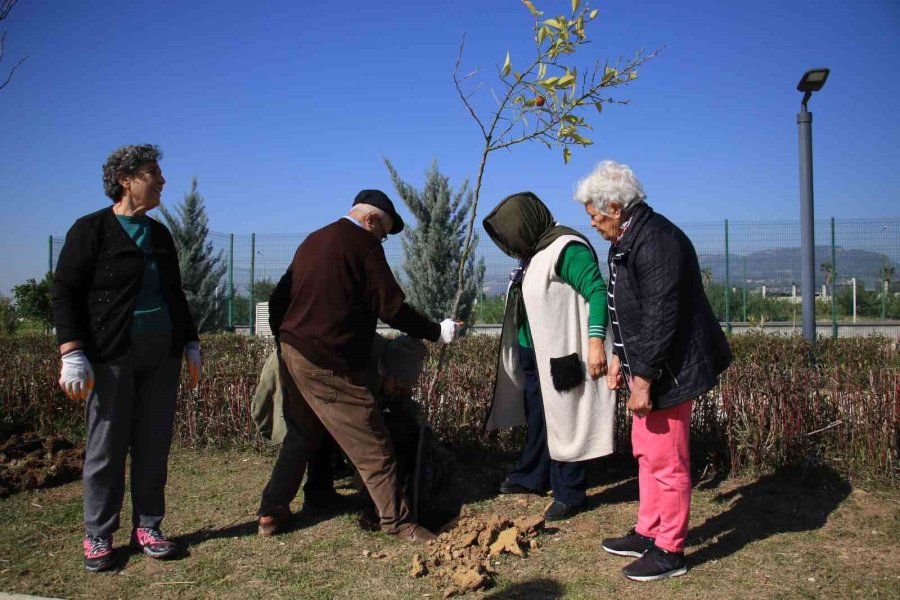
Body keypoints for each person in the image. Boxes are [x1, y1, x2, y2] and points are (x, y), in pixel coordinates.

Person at [257, 189, 461, 543]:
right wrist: (436, 332)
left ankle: (272, 512)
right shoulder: (363, 245)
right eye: (383, 230)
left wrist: (286, 343)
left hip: (294, 351)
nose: (383, 238)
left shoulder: (314, 240)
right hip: (326, 361)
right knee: (373, 441)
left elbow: (277, 301)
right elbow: (393, 309)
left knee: (303, 434)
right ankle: (399, 523)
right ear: (370, 220)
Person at [574, 160, 732, 581]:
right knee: (647, 454)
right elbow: (626, 310)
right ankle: (649, 529)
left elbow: (663, 316)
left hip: (670, 371)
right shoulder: (627, 239)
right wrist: (618, 360)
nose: (591, 223)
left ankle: (670, 550)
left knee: (668, 461)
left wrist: (641, 379)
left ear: (613, 205)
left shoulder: (657, 240)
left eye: (593, 214)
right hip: (646, 366)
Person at [52, 144, 201, 572]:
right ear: (125, 179)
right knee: (107, 445)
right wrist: (72, 351)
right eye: (152, 172)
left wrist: (190, 343)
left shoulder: (160, 235)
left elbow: (174, 292)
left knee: (154, 443)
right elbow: (65, 291)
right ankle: (99, 533)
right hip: (111, 353)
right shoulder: (91, 230)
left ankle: (149, 525)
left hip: (162, 352)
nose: (162, 180)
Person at [483, 192, 616, 521]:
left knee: (567, 419)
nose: (511, 242)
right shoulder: (536, 251)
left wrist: (596, 343)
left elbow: (597, 291)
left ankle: (570, 492)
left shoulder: (566, 248)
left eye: (511, 233)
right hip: (535, 353)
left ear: (527, 223)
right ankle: (533, 476)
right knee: (541, 419)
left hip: (562, 356)